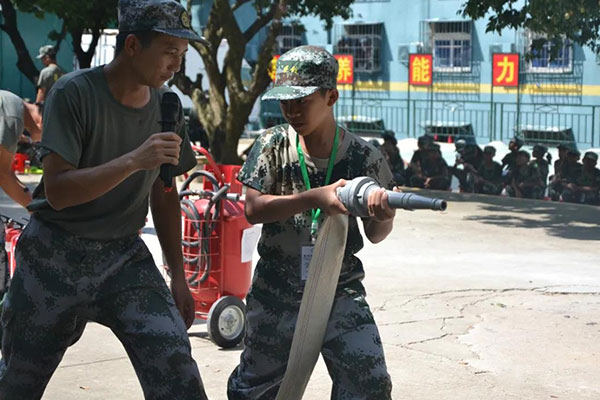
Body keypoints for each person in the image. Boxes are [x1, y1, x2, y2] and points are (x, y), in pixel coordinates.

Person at [0, 1, 210, 398]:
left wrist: (179, 275)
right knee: (18, 383)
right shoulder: (73, 93)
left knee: (175, 364)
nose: (175, 65)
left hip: (123, 257)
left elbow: (165, 193)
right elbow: (58, 192)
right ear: (132, 45)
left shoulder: (167, 106)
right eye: (168, 51)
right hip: (54, 254)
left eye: (182, 55)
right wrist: (133, 161)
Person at [227, 45, 395, 399]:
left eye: (302, 100)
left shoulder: (364, 156)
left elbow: (376, 235)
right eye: (285, 101)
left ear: (331, 96)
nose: (291, 110)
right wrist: (316, 198)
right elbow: (254, 209)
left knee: (369, 384)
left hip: (339, 286)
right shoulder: (272, 144)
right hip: (277, 287)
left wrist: (385, 213)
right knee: (256, 390)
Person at [0, 90, 43, 299]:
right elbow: (3, 176)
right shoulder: (11, 113)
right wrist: (40, 212)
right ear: (42, 118)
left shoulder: (10, 104)